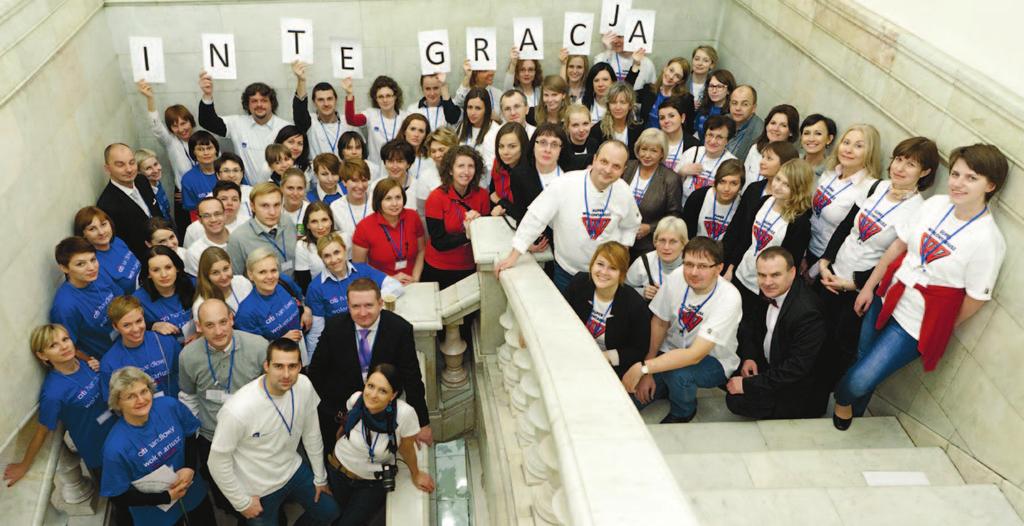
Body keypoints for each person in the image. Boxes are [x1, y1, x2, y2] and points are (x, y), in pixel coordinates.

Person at [833, 144, 1008, 430]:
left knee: (862, 377)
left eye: (971, 178)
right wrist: (869, 287)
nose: (958, 183)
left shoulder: (988, 239)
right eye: (955, 174)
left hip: (914, 324)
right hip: (887, 294)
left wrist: (939, 324)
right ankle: (857, 411)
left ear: (990, 185)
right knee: (863, 358)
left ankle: (842, 401)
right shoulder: (935, 204)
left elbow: (976, 298)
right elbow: (898, 246)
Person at [815, 137, 936, 404]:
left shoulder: (918, 210)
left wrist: (855, 284)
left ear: (925, 172)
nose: (900, 168)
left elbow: (894, 260)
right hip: (832, 273)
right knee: (813, 335)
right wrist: (826, 261)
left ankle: (820, 399)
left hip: (856, 291)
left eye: (911, 164)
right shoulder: (876, 187)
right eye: (899, 159)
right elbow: (847, 226)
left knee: (838, 349)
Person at [207, 338, 340, 525]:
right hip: (257, 487)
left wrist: (320, 477)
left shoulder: (304, 385)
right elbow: (216, 461)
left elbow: (312, 434)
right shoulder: (238, 409)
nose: (286, 374)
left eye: (292, 366)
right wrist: (241, 502)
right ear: (266, 366)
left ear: (300, 366)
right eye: (278, 366)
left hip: (292, 470)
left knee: (329, 512)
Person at [621, 236, 743, 423]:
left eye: (702, 266)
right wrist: (649, 367)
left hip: (713, 360)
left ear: (719, 268)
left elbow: (695, 355)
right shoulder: (677, 276)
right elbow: (660, 321)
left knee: (678, 374)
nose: (693, 272)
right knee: (630, 400)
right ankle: (666, 387)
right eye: (689, 264)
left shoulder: (729, 297)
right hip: (672, 349)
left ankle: (683, 411)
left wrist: (645, 368)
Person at [496, 140, 642, 294]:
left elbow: (630, 226)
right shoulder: (564, 183)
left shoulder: (624, 192)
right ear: (594, 160)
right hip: (566, 272)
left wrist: (620, 256)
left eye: (616, 166)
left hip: (604, 276)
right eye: (604, 161)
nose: (607, 170)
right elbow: (536, 217)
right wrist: (514, 256)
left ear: (624, 170)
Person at [308, 278, 431, 450]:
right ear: (348, 306)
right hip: (342, 408)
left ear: (380, 303)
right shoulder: (334, 328)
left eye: (369, 305)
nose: (363, 313)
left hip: (383, 406)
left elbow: (412, 378)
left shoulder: (399, 329)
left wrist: (422, 423)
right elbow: (316, 373)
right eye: (356, 306)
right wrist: (333, 412)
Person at [177, 299, 268, 519]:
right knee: (225, 492)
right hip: (212, 436)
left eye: (223, 322)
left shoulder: (259, 346)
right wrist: (198, 434)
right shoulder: (188, 356)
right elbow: (188, 396)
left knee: (260, 490)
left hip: (252, 436)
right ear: (198, 326)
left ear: (232, 320)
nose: (218, 331)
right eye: (209, 325)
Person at [2, 324, 114, 487]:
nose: (63, 347)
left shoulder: (83, 362)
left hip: (121, 431)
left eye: (65, 339)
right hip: (99, 452)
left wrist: (93, 362)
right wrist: (24, 465)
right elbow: (42, 432)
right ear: (42, 355)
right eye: (53, 345)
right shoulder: (53, 393)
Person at [101, 367, 215, 525]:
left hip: (192, 491)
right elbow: (117, 496)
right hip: (157, 514)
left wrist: (190, 467)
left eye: (143, 391)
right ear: (118, 403)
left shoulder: (169, 406)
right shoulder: (115, 447)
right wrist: (166, 497)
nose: (141, 400)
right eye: (130, 396)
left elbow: (190, 435)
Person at [326, 364, 435, 524]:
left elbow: (406, 448)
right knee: (329, 515)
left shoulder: (404, 415)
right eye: (370, 386)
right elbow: (345, 426)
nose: (373, 395)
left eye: (382, 390)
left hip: (369, 483)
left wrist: (416, 473)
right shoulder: (356, 399)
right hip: (337, 470)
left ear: (393, 395)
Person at [725, 247, 827, 419]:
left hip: (796, 385)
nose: (767, 282)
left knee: (735, 400)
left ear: (793, 272)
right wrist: (750, 357)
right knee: (730, 376)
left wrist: (749, 386)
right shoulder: (770, 291)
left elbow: (796, 368)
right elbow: (755, 329)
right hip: (772, 361)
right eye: (762, 275)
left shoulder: (807, 312)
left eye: (775, 275)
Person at [725, 159, 815, 316]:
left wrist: (773, 293)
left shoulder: (799, 223)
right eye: (778, 179)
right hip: (741, 274)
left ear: (798, 190)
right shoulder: (764, 201)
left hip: (764, 289)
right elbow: (746, 239)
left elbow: (789, 262)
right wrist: (731, 268)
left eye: (786, 185)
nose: (778, 186)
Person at [304, 233, 403, 352]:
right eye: (327, 256)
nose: (334, 260)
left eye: (337, 252)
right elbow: (316, 332)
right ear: (321, 258)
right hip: (341, 343)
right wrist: (314, 362)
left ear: (345, 250)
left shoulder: (362, 270)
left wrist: (371, 301)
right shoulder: (316, 288)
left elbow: (395, 286)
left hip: (374, 334)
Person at [566, 242, 650, 378]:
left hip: (610, 364)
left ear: (622, 273)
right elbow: (562, 318)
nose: (603, 272)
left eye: (612, 268)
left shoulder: (635, 305)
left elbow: (638, 349)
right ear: (592, 264)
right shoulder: (579, 283)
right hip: (576, 352)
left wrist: (605, 357)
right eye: (600, 264)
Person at [806, 124, 881, 272]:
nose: (848, 150)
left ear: (870, 152)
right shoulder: (830, 173)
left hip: (827, 262)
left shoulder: (869, 189)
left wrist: (815, 270)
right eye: (846, 143)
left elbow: (847, 234)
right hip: (805, 248)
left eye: (858, 146)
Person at [198, 73, 290, 183]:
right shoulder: (237, 123)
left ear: (272, 103)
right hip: (246, 192)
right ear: (247, 104)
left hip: (278, 191)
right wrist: (207, 95)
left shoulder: (286, 128)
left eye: (264, 100)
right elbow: (207, 121)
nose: (259, 105)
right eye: (254, 101)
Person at [423, 145, 491, 288]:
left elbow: (486, 236)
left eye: (471, 166)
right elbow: (438, 242)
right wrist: (468, 234)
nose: (466, 172)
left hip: (470, 266)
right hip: (439, 268)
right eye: (460, 166)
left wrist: (479, 225)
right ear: (450, 170)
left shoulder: (482, 195)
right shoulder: (436, 198)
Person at [724, 142, 801, 265]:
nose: (762, 162)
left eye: (769, 158)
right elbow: (736, 227)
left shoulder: (796, 210)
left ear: (786, 164)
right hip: (738, 261)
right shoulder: (753, 189)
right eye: (763, 157)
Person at [234, 248, 312, 363]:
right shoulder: (246, 312)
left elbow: (299, 298)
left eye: (273, 270)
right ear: (250, 275)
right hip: (277, 362)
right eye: (262, 272)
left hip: (301, 350)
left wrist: (306, 310)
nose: (270, 277)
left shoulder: (284, 282)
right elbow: (252, 351)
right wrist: (280, 342)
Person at [49, 237, 120, 358]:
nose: (92, 267)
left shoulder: (98, 275)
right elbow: (70, 347)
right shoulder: (65, 307)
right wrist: (90, 361)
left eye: (93, 260)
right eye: (81, 264)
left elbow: (121, 300)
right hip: (108, 357)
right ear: (64, 268)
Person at [102, 295, 182, 399]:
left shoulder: (165, 341)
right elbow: (115, 403)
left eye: (139, 321)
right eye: (127, 325)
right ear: (115, 327)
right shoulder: (110, 364)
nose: (135, 329)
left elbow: (184, 376)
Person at [96, 143, 166, 260]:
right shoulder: (107, 205)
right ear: (107, 169)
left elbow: (156, 213)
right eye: (120, 165)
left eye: (132, 162)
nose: (129, 169)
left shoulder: (142, 180)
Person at [352, 178, 426, 284]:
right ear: (378, 201)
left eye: (398, 197)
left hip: (412, 282)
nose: (394, 203)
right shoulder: (364, 227)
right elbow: (359, 267)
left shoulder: (413, 217)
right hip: (381, 285)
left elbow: (421, 250)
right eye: (388, 199)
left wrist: (415, 278)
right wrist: (388, 280)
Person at [621, 128, 682, 259]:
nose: (647, 155)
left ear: (662, 153)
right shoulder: (627, 168)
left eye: (653, 151)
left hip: (646, 246)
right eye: (644, 149)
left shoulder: (671, 179)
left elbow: (674, 215)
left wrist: (650, 228)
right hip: (618, 237)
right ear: (637, 149)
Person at [226, 182, 299, 279]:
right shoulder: (237, 239)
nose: (272, 212)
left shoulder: (287, 221)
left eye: (276, 205)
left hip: (293, 289)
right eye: (265, 206)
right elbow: (236, 280)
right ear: (252, 206)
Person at [506, 123, 568, 232]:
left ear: (561, 149)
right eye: (543, 143)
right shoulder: (519, 175)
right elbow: (521, 215)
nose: (547, 150)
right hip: (538, 237)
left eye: (554, 144)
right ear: (533, 145)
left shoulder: (571, 173)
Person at [290, 61, 358, 158]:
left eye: (329, 99)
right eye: (321, 100)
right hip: (317, 172)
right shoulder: (310, 122)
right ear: (314, 102)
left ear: (336, 100)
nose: (326, 104)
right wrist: (301, 80)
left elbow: (360, 150)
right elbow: (299, 109)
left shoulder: (348, 121)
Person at [137, 79, 196, 189]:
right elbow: (157, 128)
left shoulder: (202, 139)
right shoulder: (171, 142)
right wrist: (150, 98)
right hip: (184, 192)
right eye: (175, 126)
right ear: (170, 129)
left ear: (191, 121)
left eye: (184, 123)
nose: (181, 129)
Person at [134, 246, 197, 342]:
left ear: (177, 268)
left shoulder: (194, 284)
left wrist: (201, 334)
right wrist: (152, 326)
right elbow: (131, 329)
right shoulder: (138, 300)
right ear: (148, 274)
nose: (164, 275)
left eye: (168, 267)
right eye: (156, 270)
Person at [73, 206, 140, 295]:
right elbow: (119, 298)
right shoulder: (93, 263)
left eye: (103, 224)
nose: (101, 232)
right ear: (83, 235)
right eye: (92, 229)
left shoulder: (117, 241)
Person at [625, 49, 695, 130]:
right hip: (645, 139)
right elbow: (625, 93)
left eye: (677, 76)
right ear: (665, 68)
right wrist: (636, 65)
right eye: (671, 70)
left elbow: (689, 128)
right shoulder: (649, 90)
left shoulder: (685, 99)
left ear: (681, 81)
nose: (671, 76)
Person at [342, 75, 405, 165]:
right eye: (380, 97)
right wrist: (349, 94)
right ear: (376, 99)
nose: (385, 100)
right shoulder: (371, 114)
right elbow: (351, 120)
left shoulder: (405, 117)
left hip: (398, 168)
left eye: (388, 96)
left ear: (395, 97)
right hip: (375, 170)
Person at [676, 115, 738, 202]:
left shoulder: (732, 163)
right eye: (710, 135)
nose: (713, 141)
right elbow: (672, 186)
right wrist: (681, 172)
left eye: (719, 137)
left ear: (728, 140)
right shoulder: (692, 152)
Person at [625, 216, 689, 301]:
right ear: (655, 242)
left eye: (673, 241)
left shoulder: (692, 266)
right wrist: (642, 292)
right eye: (662, 240)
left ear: (683, 244)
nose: (666, 247)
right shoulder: (643, 262)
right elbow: (623, 290)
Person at [682, 159, 744, 242]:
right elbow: (685, 234)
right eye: (722, 182)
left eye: (733, 183)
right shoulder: (698, 197)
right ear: (715, 181)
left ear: (741, 186)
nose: (726, 188)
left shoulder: (743, 207)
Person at [743, 104, 800, 191]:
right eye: (773, 123)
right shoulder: (755, 149)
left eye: (783, 125)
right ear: (766, 125)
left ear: (791, 132)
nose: (776, 128)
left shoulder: (792, 160)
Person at [184, 179, 249, 248]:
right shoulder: (194, 229)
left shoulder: (248, 223)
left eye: (234, 199)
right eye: (223, 199)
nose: (230, 203)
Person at [191, 247, 253, 319]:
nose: (223, 277)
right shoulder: (200, 305)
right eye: (215, 273)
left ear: (231, 264)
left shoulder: (242, 281)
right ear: (206, 275)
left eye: (226, 269)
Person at [586, 82, 644, 157]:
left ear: (630, 105)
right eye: (613, 102)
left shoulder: (638, 130)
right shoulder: (596, 131)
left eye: (622, 102)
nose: (618, 107)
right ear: (608, 105)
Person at [455, 88, 499, 187]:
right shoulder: (462, 127)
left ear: (486, 109)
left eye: (478, 108)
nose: (472, 112)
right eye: (470, 107)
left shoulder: (495, 131)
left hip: (484, 187)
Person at [488, 122, 530, 217]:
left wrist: (501, 202)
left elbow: (524, 213)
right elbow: (491, 195)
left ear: (523, 147)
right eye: (501, 146)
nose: (505, 152)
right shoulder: (498, 164)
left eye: (512, 146)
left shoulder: (530, 172)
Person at [330, 159, 373, 248]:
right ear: (344, 182)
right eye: (355, 181)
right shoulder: (336, 207)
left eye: (364, 180)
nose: (360, 186)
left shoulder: (377, 202)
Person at [294, 201, 337, 291]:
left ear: (331, 221)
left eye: (324, 220)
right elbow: (305, 286)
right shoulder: (302, 247)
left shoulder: (342, 238)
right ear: (307, 225)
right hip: (319, 296)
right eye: (314, 222)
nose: (320, 227)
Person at [414, 127, 459, 211]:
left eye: (441, 150)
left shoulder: (465, 170)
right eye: (433, 151)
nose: (437, 155)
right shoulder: (425, 177)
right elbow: (422, 212)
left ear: (454, 148)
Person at [184, 197, 230, 276]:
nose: (213, 219)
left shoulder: (240, 239)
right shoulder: (194, 253)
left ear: (225, 214)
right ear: (200, 220)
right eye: (206, 216)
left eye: (217, 214)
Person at [180, 130, 221, 214]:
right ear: (193, 152)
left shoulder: (230, 170)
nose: (206, 153)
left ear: (216, 150)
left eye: (209, 148)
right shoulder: (188, 179)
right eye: (200, 149)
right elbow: (193, 212)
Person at [368, 139, 419, 204]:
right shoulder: (376, 186)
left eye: (400, 161)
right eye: (390, 161)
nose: (395, 166)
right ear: (384, 163)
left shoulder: (417, 187)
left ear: (408, 164)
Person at [659, 96, 700, 172]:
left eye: (671, 116)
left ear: (682, 118)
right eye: (662, 118)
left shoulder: (695, 146)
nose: (666, 121)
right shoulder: (654, 141)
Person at [692, 70, 735, 142]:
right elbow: (696, 132)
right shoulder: (704, 106)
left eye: (719, 86)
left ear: (728, 91)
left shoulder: (731, 114)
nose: (714, 91)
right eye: (711, 86)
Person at [397, 113, 434, 197]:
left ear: (426, 135)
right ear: (404, 131)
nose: (416, 134)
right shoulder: (391, 155)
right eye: (413, 129)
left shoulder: (430, 159)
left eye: (421, 131)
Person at [725, 85, 764, 161]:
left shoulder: (759, 133)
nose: (738, 108)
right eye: (734, 103)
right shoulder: (724, 120)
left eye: (745, 104)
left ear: (753, 108)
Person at [135, 148, 174, 222]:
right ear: (139, 172)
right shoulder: (143, 194)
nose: (155, 170)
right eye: (148, 168)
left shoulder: (157, 183)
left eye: (156, 164)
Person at [562, 103, 595, 171]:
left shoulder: (595, 145)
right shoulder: (562, 148)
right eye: (575, 125)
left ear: (591, 124)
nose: (581, 130)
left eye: (585, 124)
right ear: (567, 127)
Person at [688, 46, 718, 110]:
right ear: (692, 60)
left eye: (705, 61)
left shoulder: (715, 85)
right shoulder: (683, 79)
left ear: (712, 65)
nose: (700, 63)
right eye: (697, 59)